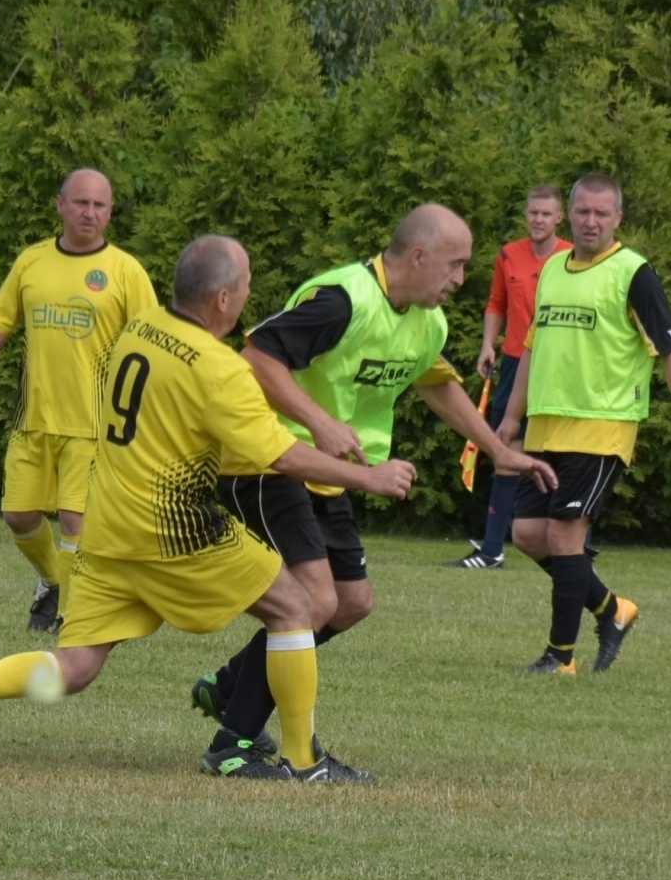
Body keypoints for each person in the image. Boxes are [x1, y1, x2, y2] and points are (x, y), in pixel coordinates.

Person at [0, 236, 417, 782]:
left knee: (73, 668)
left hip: (107, 527)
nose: (249, 295)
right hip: (175, 528)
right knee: (298, 607)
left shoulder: (137, 330)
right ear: (221, 299)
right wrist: (368, 476)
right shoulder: (218, 368)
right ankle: (304, 763)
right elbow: (281, 455)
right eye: (245, 285)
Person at [187, 204, 559, 779]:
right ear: (419, 256)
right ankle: (231, 744)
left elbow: (438, 385)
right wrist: (321, 421)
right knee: (314, 603)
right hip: (268, 460)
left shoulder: (426, 322)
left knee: (352, 603)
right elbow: (257, 356)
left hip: (324, 474)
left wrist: (499, 450)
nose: (461, 280)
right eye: (456, 265)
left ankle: (232, 687)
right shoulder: (343, 299)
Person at [497, 173, 671, 676]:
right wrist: (509, 418)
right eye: (583, 212)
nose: (591, 221)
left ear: (618, 219)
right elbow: (531, 347)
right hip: (546, 425)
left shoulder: (633, 272)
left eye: (602, 213)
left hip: (602, 424)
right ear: (570, 214)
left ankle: (560, 658)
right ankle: (613, 611)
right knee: (528, 535)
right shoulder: (551, 270)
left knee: (566, 537)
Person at [0, 169, 159, 634]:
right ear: (60, 205)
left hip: (94, 425)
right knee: (18, 515)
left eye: (100, 206)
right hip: (34, 419)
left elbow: (152, 343)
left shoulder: (126, 271)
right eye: (81, 203)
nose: (90, 213)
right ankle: (52, 582)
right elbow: (0, 318)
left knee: (76, 521)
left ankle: (71, 616)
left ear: (110, 213)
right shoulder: (32, 263)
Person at [447, 184, 572, 570]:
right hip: (516, 362)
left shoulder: (572, 257)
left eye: (546, 214)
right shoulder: (508, 255)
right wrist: (488, 344)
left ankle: (574, 546)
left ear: (559, 218)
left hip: (558, 368)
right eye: (533, 212)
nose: (538, 219)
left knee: (565, 454)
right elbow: (496, 303)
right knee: (505, 447)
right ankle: (491, 549)